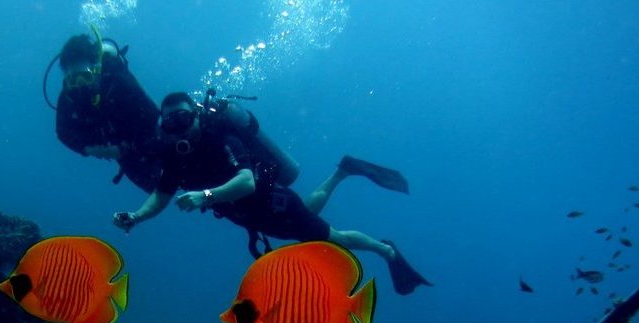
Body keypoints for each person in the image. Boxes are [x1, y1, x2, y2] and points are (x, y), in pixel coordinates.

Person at [112, 92, 431, 295]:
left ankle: (385, 250)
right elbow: (161, 195)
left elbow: (247, 181)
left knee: (334, 238)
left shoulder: (220, 137)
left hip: (275, 206)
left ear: (196, 116)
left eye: (182, 117)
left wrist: (205, 197)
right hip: (256, 215)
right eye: (169, 123)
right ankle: (342, 171)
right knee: (310, 214)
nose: (177, 127)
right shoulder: (176, 157)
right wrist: (137, 216)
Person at [53, 32, 161, 193]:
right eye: (73, 79)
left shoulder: (120, 82)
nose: (80, 85)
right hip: (122, 155)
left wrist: (128, 146)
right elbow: (63, 132)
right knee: (156, 189)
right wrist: (92, 149)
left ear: (97, 68)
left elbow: (152, 116)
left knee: (184, 177)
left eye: (85, 76)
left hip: (150, 143)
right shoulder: (69, 94)